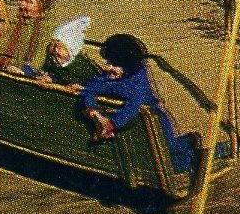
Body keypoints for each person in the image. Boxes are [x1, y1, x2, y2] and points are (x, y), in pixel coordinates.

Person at [79, 33, 197, 173]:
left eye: (113, 64)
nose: (107, 68)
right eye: (107, 62)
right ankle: (189, 141)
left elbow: (132, 107)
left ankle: (202, 152)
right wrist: (94, 111)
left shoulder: (139, 81)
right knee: (167, 154)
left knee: (171, 158)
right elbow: (89, 90)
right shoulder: (110, 78)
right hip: (137, 126)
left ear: (128, 67)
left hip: (156, 123)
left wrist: (109, 125)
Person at [32, 16, 99, 90]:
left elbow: (79, 81)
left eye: (59, 47)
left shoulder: (82, 66)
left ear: (71, 50)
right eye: (53, 46)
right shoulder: (52, 61)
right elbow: (46, 72)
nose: (55, 50)